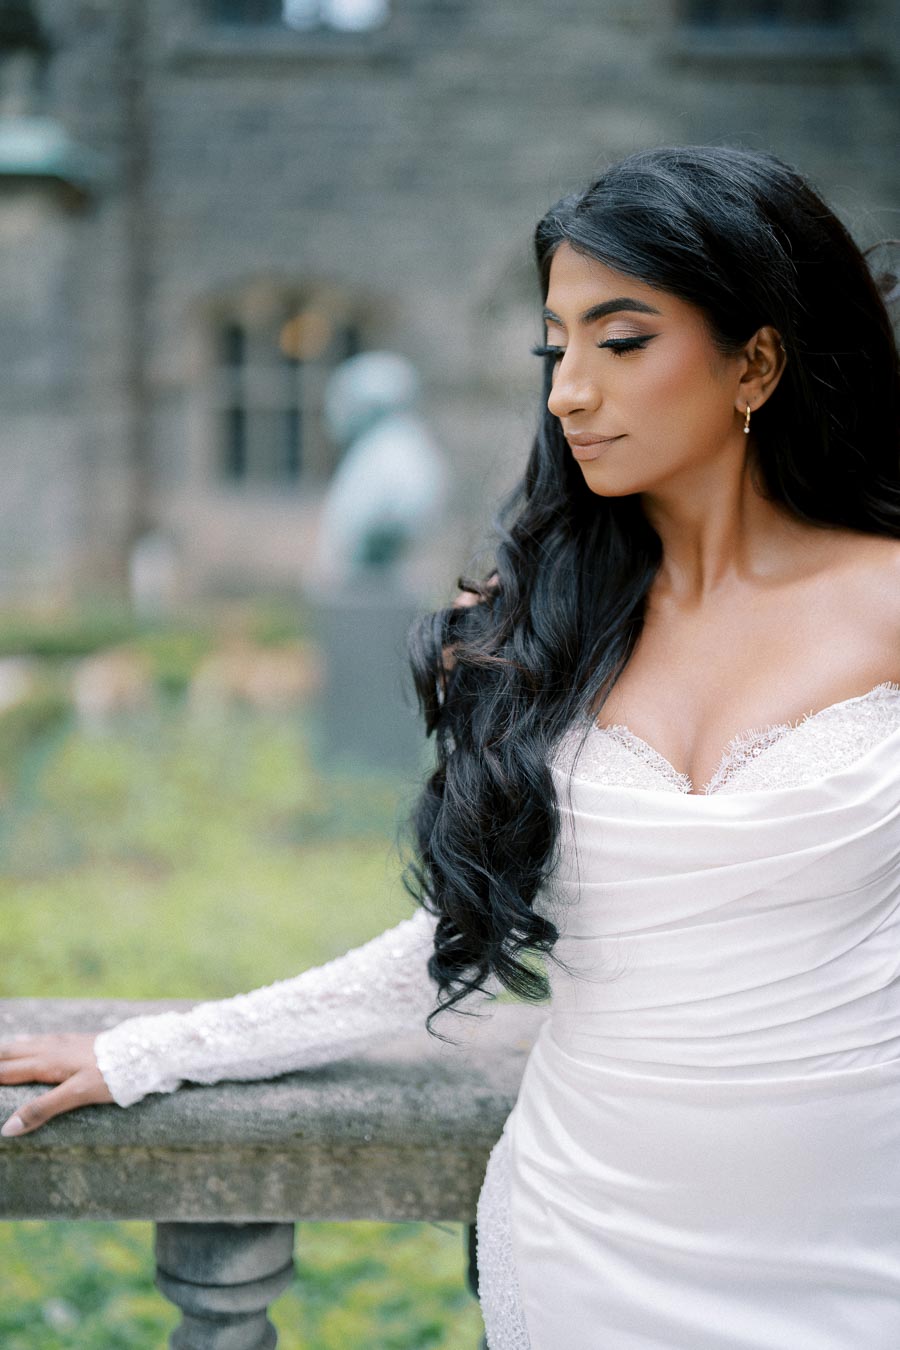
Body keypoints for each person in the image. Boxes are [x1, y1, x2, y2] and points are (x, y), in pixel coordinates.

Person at [2, 144, 900, 1349]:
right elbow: (456, 937)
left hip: (852, 1251)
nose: (571, 390)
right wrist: (159, 1052)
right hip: (590, 1241)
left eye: (620, 341)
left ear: (757, 359)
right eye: (556, 347)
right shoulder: (545, 631)